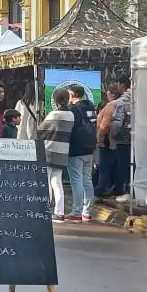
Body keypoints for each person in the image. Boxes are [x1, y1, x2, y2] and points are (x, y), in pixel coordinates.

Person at [37, 87, 74, 223]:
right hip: (62, 151)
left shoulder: (54, 114)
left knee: (46, 182)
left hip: (49, 151)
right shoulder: (71, 115)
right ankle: (59, 213)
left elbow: (40, 130)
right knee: (57, 183)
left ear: (55, 100)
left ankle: (45, 211)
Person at [66, 83, 97, 222]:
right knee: (87, 179)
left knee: (76, 180)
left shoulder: (72, 109)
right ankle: (87, 212)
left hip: (76, 148)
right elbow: (94, 123)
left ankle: (76, 212)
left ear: (72, 94)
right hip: (90, 146)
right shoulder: (90, 107)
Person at [108, 74, 133, 201]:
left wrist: (112, 134)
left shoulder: (121, 102)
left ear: (122, 85)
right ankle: (133, 190)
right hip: (137, 138)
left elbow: (118, 122)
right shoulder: (138, 99)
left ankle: (125, 191)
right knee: (133, 165)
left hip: (123, 139)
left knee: (123, 166)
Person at [95, 87, 123, 199]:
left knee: (104, 167)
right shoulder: (123, 104)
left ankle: (99, 191)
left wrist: (99, 138)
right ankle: (115, 189)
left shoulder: (111, 105)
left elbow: (105, 125)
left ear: (111, 94)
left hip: (107, 141)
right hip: (118, 141)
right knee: (115, 166)